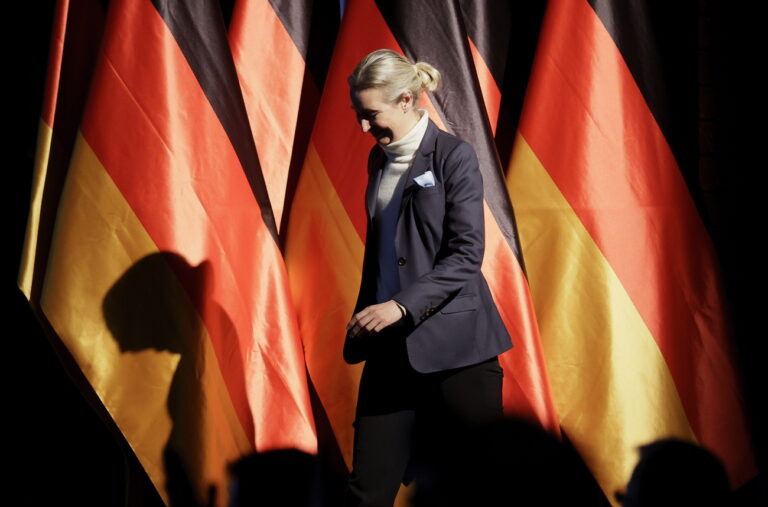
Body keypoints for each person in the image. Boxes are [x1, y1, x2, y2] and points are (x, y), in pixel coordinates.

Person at [343, 49, 513, 506]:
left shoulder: (453, 156)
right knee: (367, 491)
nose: (363, 128)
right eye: (358, 115)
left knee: (478, 488)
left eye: (371, 114)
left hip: (459, 350)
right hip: (390, 351)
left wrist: (400, 305)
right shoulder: (378, 162)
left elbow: (465, 255)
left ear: (406, 100)